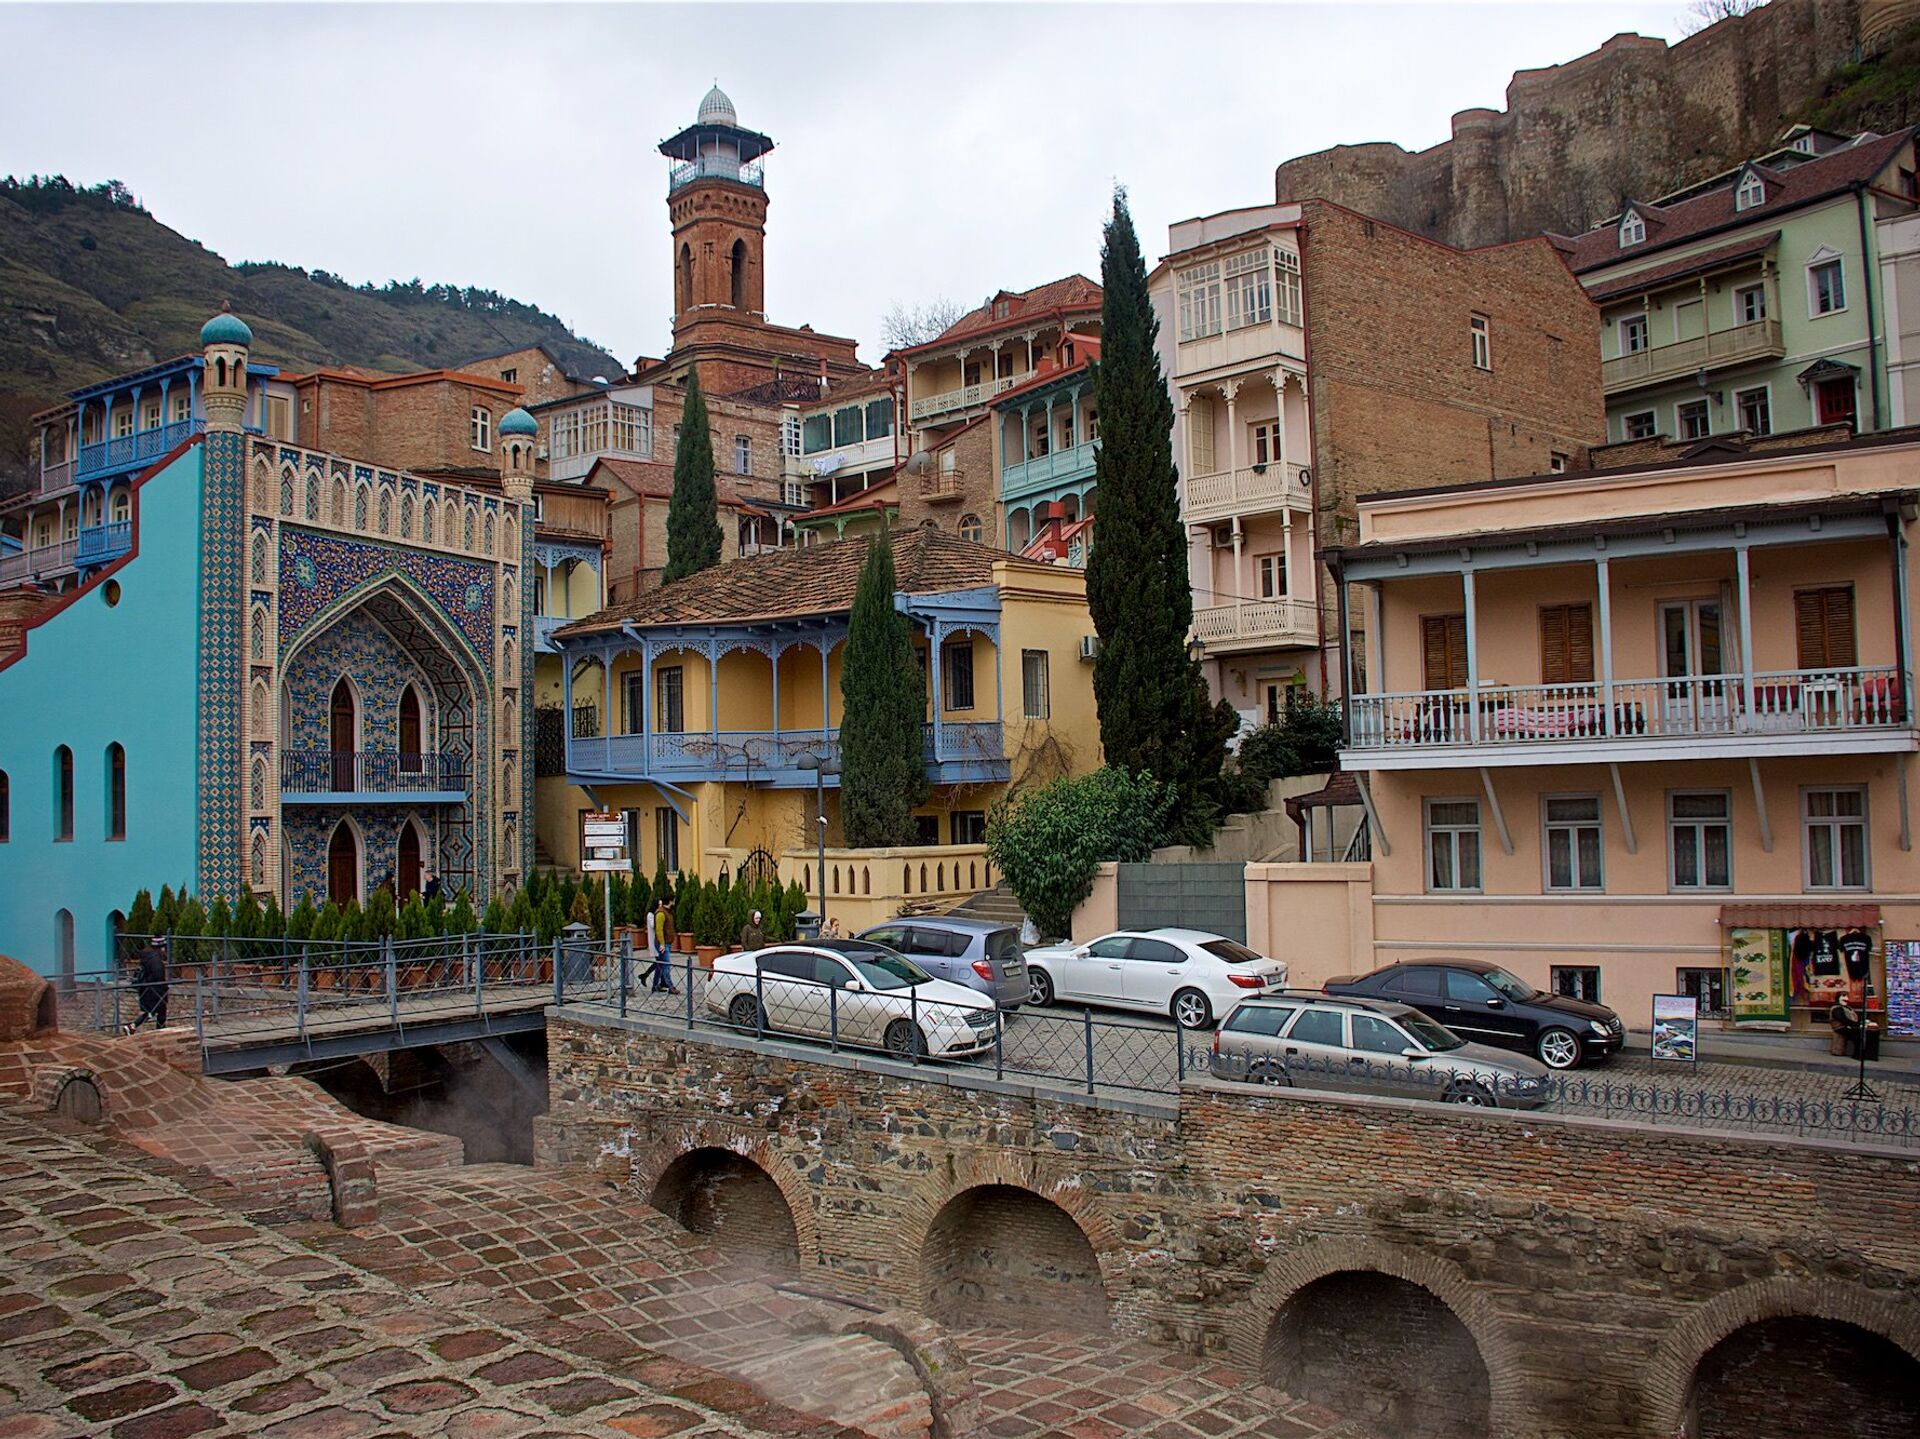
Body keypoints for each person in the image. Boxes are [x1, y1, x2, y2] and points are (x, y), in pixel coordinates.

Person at [124, 936, 170, 1034]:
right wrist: (164, 987)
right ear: (161, 947)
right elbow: (158, 976)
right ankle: (134, 1026)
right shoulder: (156, 960)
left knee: (155, 1011)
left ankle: (133, 1026)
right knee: (156, 1011)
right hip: (155, 990)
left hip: (146, 988)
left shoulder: (147, 957)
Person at [650, 898, 679, 994]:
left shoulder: (667, 912)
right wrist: (662, 943)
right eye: (673, 900)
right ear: (670, 901)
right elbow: (659, 929)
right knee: (666, 965)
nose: (674, 902)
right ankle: (670, 986)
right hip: (663, 943)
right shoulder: (661, 913)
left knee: (659, 965)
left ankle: (655, 985)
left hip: (666, 942)